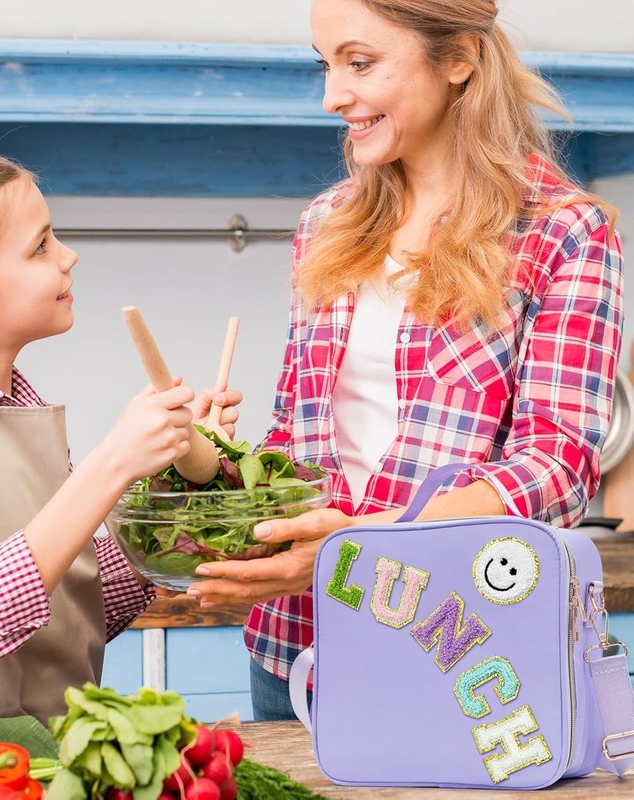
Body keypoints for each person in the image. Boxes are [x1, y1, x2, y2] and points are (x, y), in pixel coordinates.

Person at [187, 0, 625, 720]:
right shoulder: (327, 222)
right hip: (300, 646)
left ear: (458, 60)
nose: (332, 95)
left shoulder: (561, 232)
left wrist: (353, 549)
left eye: (359, 63)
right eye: (326, 65)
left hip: (462, 649)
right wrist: (223, 468)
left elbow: (557, 468)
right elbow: (299, 441)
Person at [0, 151, 241, 724]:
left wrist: (179, 472)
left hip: (62, 751)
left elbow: (85, 601)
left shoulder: (23, 407)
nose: (68, 256)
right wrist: (112, 464)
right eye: (41, 246)